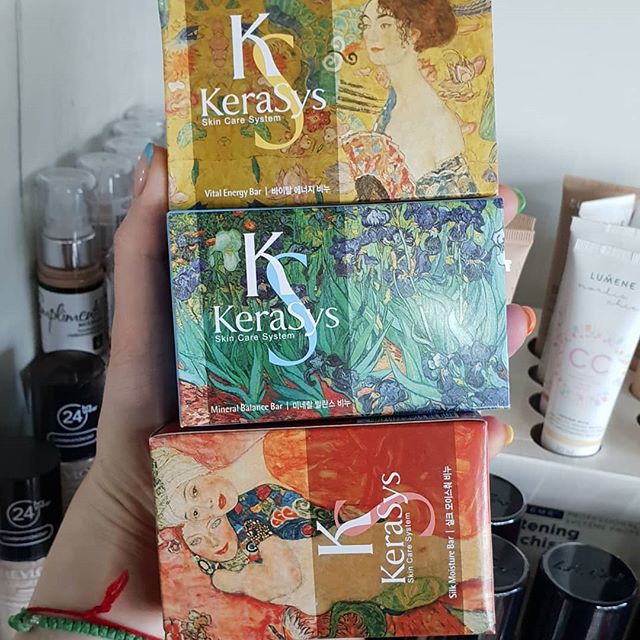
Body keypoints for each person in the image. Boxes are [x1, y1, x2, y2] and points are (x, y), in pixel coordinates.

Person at [15, 146, 534, 639]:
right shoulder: (238, 529)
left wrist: (123, 510)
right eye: (198, 521)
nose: (202, 519)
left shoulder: (248, 495)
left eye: (193, 507)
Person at [345, 0, 478, 201]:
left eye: (384, 25)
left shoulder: (436, 121)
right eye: (366, 24)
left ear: (414, 33)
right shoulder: (392, 106)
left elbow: (454, 210)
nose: (371, 36)